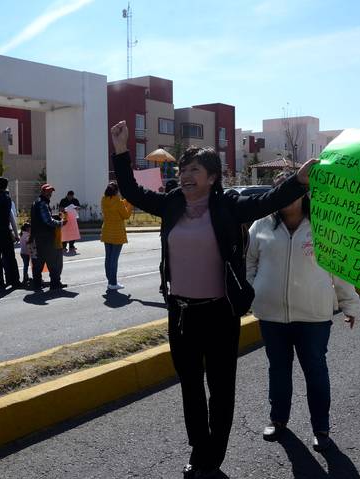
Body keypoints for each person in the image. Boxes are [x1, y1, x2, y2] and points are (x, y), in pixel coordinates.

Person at [110, 120, 315, 479]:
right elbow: (131, 191)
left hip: (220, 313)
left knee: (220, 389)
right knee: (190, 385)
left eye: (194, 170)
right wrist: (121, 150)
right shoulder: (173, 203)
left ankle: (212, 456)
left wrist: (298, 181)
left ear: (212, 177)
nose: (185, 175)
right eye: (182, 169)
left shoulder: (228, 206)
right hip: (180, 312)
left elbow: (269, 200)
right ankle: (198, 448)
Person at [246, 171, 360, 450]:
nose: (286, 194)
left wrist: (349, 303)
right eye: (280, 188)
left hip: (314, 317)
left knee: (316, 372)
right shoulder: (261, 225)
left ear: (304, 192)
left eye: (292, 188)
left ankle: (321, 428)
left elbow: (340, 269)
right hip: (271, 315)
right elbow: (249, 262)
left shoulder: (323, 225)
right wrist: (252, 292)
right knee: (278, 371)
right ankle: (278, 420)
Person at [30, 184, 67, 290]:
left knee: (38, 262)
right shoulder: (42, 204)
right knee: (53, 262)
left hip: (38, 237)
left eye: (51, 191)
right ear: (43, 192)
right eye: (48, 191)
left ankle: (37, 284)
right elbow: (48, 221)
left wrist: (55, 217)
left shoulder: (36, 203)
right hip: (46, 237)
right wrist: (61, 223)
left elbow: (41, 218)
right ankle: (55, 284)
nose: (50, 193)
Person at [100, 181, 133, 290]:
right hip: (117, 234)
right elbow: (126, 215)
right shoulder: (117, 201)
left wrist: (125, 201)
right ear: (116, 191)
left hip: (106, 232)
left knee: (108, 258)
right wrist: (130, 204)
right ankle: (113, 283)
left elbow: (117, 204)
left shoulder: (104, 200)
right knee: (114, 259)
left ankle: (110, 280)